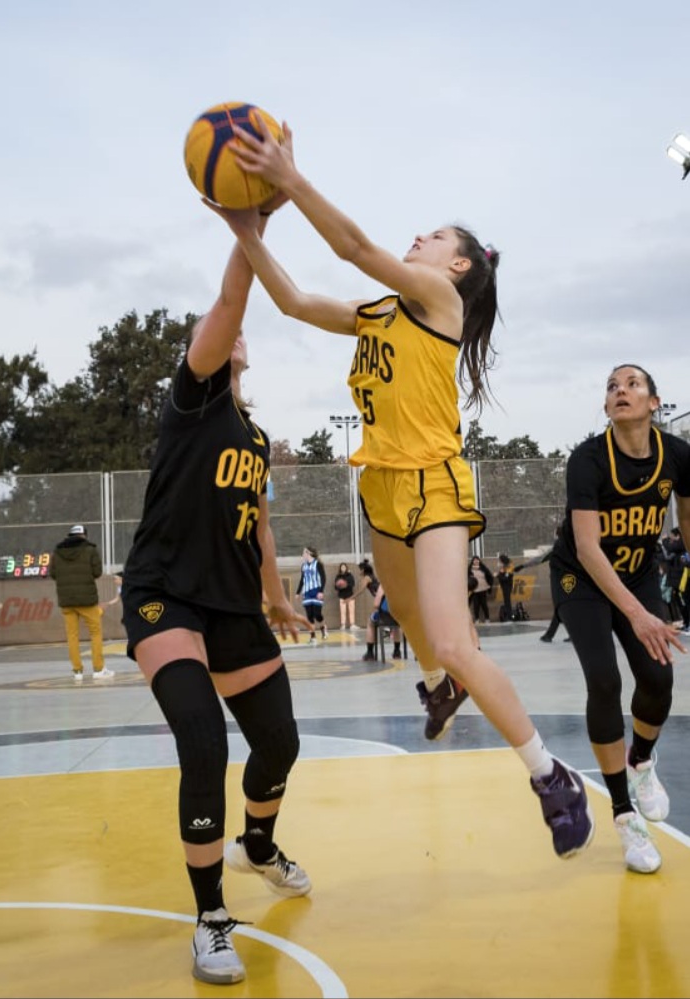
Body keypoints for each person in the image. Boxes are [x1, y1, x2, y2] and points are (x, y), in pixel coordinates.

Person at [207, 117, 595, 860]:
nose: (418, 238)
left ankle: (550, 777)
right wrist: (245, 226)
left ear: (456, 267)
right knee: (415, 626)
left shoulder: (434, 302)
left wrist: (289, 180)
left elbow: (353, 248)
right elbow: (289, 300)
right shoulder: (376, 314)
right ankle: (437, 685)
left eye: (434, 237)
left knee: (453, 636)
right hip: (381, 487)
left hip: (435, 485)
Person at [120, 200, 312, 987]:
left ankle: (257, 846)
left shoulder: (255, 438)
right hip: (165, 594)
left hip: (236, 605)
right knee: (204, 742)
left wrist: (275, 597)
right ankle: (210, 918)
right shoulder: (192, 400)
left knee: (281, 746)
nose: (228, 327)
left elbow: (259, 527)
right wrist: (250, 227)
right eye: (215, 323)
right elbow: (234, 299)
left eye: (231, 328)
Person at [548, 364, 690, 874]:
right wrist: (639, 617)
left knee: (657, 676)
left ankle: (641, 761)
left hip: (638, 573)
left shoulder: (677, 456)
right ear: (607, 408)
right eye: (611, 386)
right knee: (604, 682)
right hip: (581, 578)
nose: (620, 390)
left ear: (654, 403)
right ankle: (625, 814)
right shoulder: (587, 460)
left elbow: (688, 520)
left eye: (632, 384)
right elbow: (587, 548)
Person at [49, 524, 114, 682]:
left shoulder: (57, 552)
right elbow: (97, 573)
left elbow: (53, 574)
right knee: (95, 633)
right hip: (87, 600)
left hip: (67, 601)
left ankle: (77, 671)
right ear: (83, 535)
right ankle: (98, 669)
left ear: (70, 535)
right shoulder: (90, 550)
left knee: (72, 636)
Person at [362, 582, 402, 661]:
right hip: (400, 617)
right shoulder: (403, 583)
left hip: (384, 618)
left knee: (370, 623)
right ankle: (397, 652)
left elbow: (376, 604)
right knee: (397, 626)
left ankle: (370, 653)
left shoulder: (384, 584)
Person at [296, 545, 328, 643]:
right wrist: (297, 592)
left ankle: (323, 629)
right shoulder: (303, 565)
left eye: (304, 552)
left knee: (317, 615)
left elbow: (323, 578)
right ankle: (313, 637)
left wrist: (321, 591)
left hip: (316, 591)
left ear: (309, 553)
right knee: (309, 616)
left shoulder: (318, 564)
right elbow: (302, 579)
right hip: (307, 593)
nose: (302, 554)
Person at [468, 555, 494, 623]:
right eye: (474, 560)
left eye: (477, 560)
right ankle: (477, 619)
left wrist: (489, 585)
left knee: (484, 604)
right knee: (476, 605)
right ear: (472, 561)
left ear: (479, 561)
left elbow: (489, 576)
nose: (476, 561)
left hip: (483, 588)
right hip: (475, 589)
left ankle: (487, 618)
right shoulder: (470, 569)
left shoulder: (483, 568)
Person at [334, 561, 358, 629]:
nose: (343, 568)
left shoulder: (350, 575)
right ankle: (343, 624)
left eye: (344, 567)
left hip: (350, 595)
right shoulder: (338, 576)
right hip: (342, 596)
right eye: (342, 567)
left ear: (346, 568)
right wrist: (340, 586)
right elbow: (335, 587)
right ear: (340, 568)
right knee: (342, 611)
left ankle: (352, 624)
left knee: (351, 610)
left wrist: (345, 585)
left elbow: (352, 584)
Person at [495, 554, 516, 622]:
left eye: (500, 561)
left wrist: (498, 575)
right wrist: (500, 573)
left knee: (507, 602)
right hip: (504, 587)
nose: (499, 562)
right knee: (506, 601)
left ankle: (510, 617)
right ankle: (509, 616)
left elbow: (505, 579)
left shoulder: (509, 568)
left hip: (507, 587)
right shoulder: (503, 568)